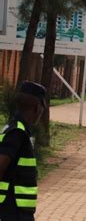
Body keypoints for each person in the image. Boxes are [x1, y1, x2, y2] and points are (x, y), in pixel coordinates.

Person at [0, 81, 46, 220]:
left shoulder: (16, 128)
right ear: (37, 108)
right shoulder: (17, 133)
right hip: (12, 210)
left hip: (18, 210)